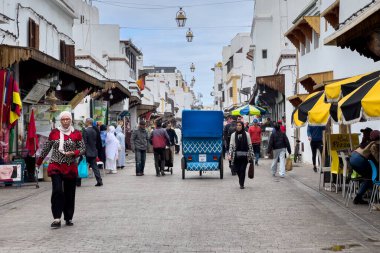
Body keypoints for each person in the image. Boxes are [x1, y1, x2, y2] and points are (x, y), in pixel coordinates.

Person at [36, 111, 85, 228]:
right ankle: (56, 218)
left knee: (69, 193)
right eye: (63, 119)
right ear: (60, 121)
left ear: (71, 120)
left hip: (70, 166)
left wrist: (74, 152)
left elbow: (83, 148)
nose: (65, 121)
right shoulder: (54, 133)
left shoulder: (76, 133)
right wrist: (38, 162)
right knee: (57, 191)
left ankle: (68, 217)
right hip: (56, 166)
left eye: (67, 119)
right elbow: (46, 148)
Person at [349, 130, 380, 204]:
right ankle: (362, 197)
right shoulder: (374, 145)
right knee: (370, 177)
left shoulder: (367, 143)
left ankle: (367, 196)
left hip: (353, 157)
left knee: (369, 177)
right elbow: (377, 160)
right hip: (359, 159)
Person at [228, 121, 253, 189]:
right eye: (237, 125)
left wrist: (251, 156)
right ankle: (240, 180)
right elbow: (231, 145)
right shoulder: (233, 135)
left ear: (242, 126)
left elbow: (250, 145)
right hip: (236, 156)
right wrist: (230, 154)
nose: (238, 126)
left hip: (245, 155)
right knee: (238, 170)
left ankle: (241, 184)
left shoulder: (247, 134)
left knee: (242, 170)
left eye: (240, 125)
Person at [83, 118, 103, 186]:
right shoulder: (94, 131)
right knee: (95, 167)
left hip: (86, 152)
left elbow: (84, 142)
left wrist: (83, 151)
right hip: (93, 151)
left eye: (85, 121)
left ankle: (78, 181)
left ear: (88, 122)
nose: (85, 122)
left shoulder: (85, 131)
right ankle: (99, 180)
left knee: (80, 165)